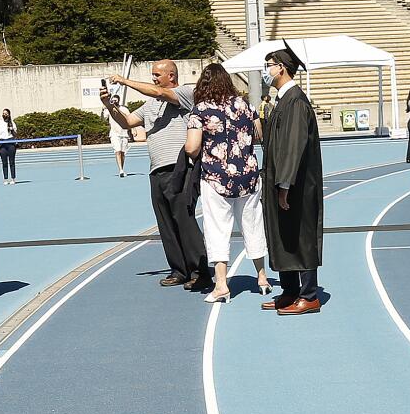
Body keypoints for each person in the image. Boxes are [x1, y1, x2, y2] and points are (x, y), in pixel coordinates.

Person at [105, 61, 210, 293]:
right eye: (152, 75)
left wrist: (124, 81)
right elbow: (128, 122)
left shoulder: (185, 93)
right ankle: (179, 270)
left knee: (184, 219)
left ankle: (200, 272)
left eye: (157, 75)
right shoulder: (150, 105)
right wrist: (109, 106)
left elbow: (161, 92)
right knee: (166, 223)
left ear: (171, 76)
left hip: (180, 166)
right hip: (157, 169)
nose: (153, 79)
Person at [187, 63, 267, 304]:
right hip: (248, 175)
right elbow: (258, 134)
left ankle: (221, 284)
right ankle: (262, 277)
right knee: (252, 223)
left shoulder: (200, 111)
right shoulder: (245, 105)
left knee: (217, 228)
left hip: (216, 176)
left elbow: (192, 147)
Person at [259, 47, 325, 315]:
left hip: (296, 185)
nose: (266, 70)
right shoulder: (283, 100)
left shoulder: (296, 102)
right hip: (281, 181)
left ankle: (309, 295)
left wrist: (284, 184)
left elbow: (294, 146)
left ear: (281, 68)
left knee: (300, 235)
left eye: (269, 65)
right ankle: (289, 291)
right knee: (283, 234)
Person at [0, 107, 19, 184]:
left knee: (12, 162)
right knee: (4, 162)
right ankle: (5, 179)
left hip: (10, 142)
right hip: (2, 143)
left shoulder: (12, 123)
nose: (4, 115)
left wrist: (12, 129)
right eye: (3, 113)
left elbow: (15, 134)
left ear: (9, 115)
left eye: (6, 113)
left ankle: (13, 178)